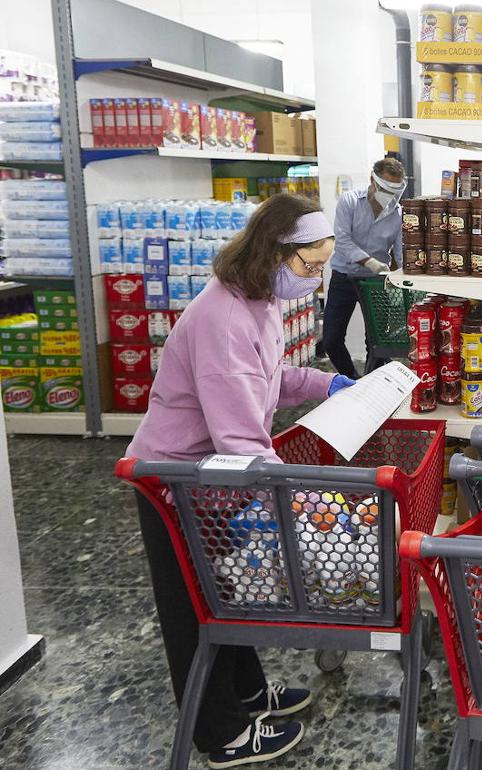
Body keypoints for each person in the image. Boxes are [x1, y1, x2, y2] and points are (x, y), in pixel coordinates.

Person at [127, 193, 355, 768]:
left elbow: (268, 377)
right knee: (194, 609)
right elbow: (239, 439)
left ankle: (249, 695)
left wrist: (325, 385)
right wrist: (298, 504)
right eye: (310, 265)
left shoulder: (256, 299)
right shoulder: (224, 319)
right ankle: (220, 734)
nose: (315, 277)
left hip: (215, 478)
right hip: (177, 481)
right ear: (275, 252)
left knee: (226, 590)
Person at [322, 157, 407, 379]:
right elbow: (341, 240)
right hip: (344, 277)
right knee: (331, 339)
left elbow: (400, 252)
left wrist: (406, 274)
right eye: (386, 189)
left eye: (394, 191)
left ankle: (375, 383)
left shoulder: (398, 214)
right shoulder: (349, 202)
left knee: (378, 343)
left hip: (377, 283)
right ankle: (352, 380)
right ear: (373, 180)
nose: (389, 196)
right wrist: (369, 261)